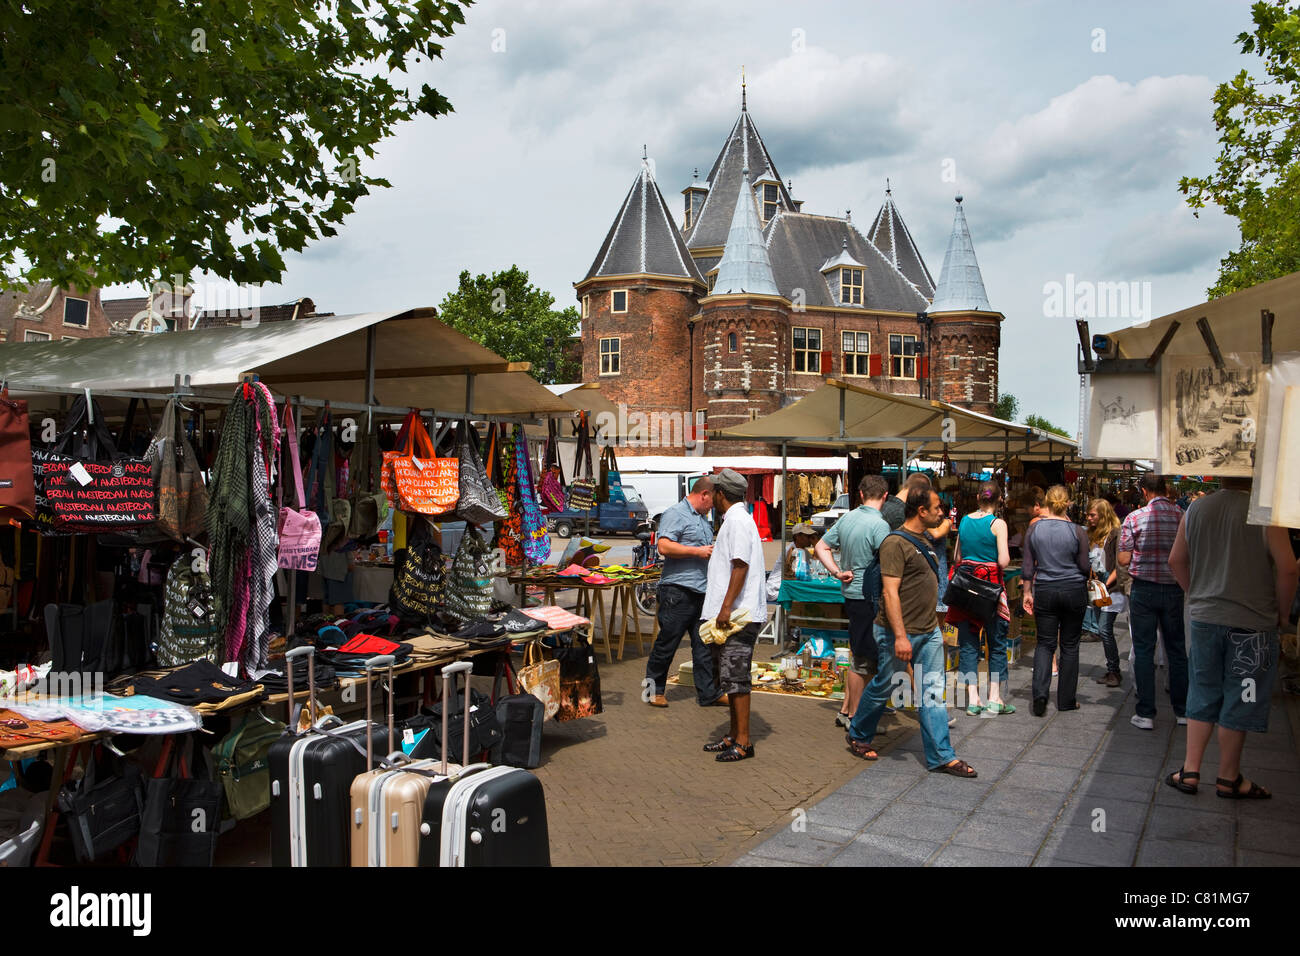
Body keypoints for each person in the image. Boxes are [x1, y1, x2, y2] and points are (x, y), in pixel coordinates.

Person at [1165, 477, 1298, 798]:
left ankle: (1191, 770)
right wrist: (1282, 615)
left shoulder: (1196, 509)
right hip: (1253, 624)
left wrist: (1196, 594)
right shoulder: (1265, 511)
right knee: (1242, 696)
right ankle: (1227, 777)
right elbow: (1289, 569)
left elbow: (1175, 560)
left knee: (1203, 690)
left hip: (1206, 619)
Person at [844, 486, 977, 778]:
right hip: (896, 632)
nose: (942, 512)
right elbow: (890, 593)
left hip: (927, 631)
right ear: (921, 511)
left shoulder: (925, 539)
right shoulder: (895, 543)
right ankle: (858, 732)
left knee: (932, 692)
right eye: (937, 507)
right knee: (884, 685)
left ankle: (942, 756)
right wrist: (901, 636)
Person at [700, 468, 769, 762]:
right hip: (732, 613)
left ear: (721, 494)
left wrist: (726, 607)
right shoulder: (735, 519)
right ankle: (732, 735)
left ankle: (743, 741)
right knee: (729, 678)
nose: (712, 495)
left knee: (737, 678)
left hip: (739, 614)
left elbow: (740, 565)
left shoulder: (738, 521)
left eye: (715, 491)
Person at [814, 474, 890, 728]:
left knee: (860, 652)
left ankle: (848, 710)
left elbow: (820, 547)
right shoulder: (880, 525)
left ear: (860, 494)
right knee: (865, 659)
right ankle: (857, 716)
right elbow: (889, 566)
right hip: (869, 598)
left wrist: (837, 572)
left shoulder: (847, 518)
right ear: (885, 496)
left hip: (851, 594)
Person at [1118, 473, 1189, 730]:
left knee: (1145, 650)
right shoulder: (1182, 516)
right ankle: (1182, 710)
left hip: (1144, 589)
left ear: (1144, 491)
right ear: (1165, 489)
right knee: (1176, 650)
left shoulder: (1134, 518)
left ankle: (1146, 712)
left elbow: (1124, 559)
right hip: (1173, 589)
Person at [644, 476, 720, 708]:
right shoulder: (676, 513)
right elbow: (664, 546)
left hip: (700, 591)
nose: (713, 505)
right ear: (704, 494)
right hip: (678, 591)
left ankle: (709, 694)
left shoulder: (702, 519)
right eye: (712, 500)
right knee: (667, 644)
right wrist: (696, 552)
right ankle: (652, 691)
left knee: (703, 645)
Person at [1022, 485, 1089, 716]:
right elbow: (1084, 565)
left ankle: (1040, 695)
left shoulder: (1035, 529)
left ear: (1047, 503)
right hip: (1073, 589)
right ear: (1067, 503)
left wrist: (1027, 592)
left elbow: (1028, 565)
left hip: (1046, 589)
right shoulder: (1077, 531)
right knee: (1070, 646)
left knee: (1045, 643)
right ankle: (1066, 699)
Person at [951, 480, 1015, 716]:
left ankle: (973, 699)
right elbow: (1004, 561)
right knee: (996, 644)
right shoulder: (998, 524)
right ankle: (995, 698)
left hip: (967, 591)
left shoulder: (965, 521)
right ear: (999, 500)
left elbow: (957, 556)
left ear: (978, 498)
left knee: (968, 645)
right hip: (991, 591)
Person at [1086, 498, 1124, 687]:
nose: (1089, 518)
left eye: (1092, 515)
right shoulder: (1093, 534)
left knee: (1104, 629)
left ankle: (1114, 671)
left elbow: (1120, 564)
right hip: (1098, 587)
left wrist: (1106, 585)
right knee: (1103, 629)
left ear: (1103, 515)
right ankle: (1112, 670)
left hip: (1111, 588)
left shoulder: (1116, 533)